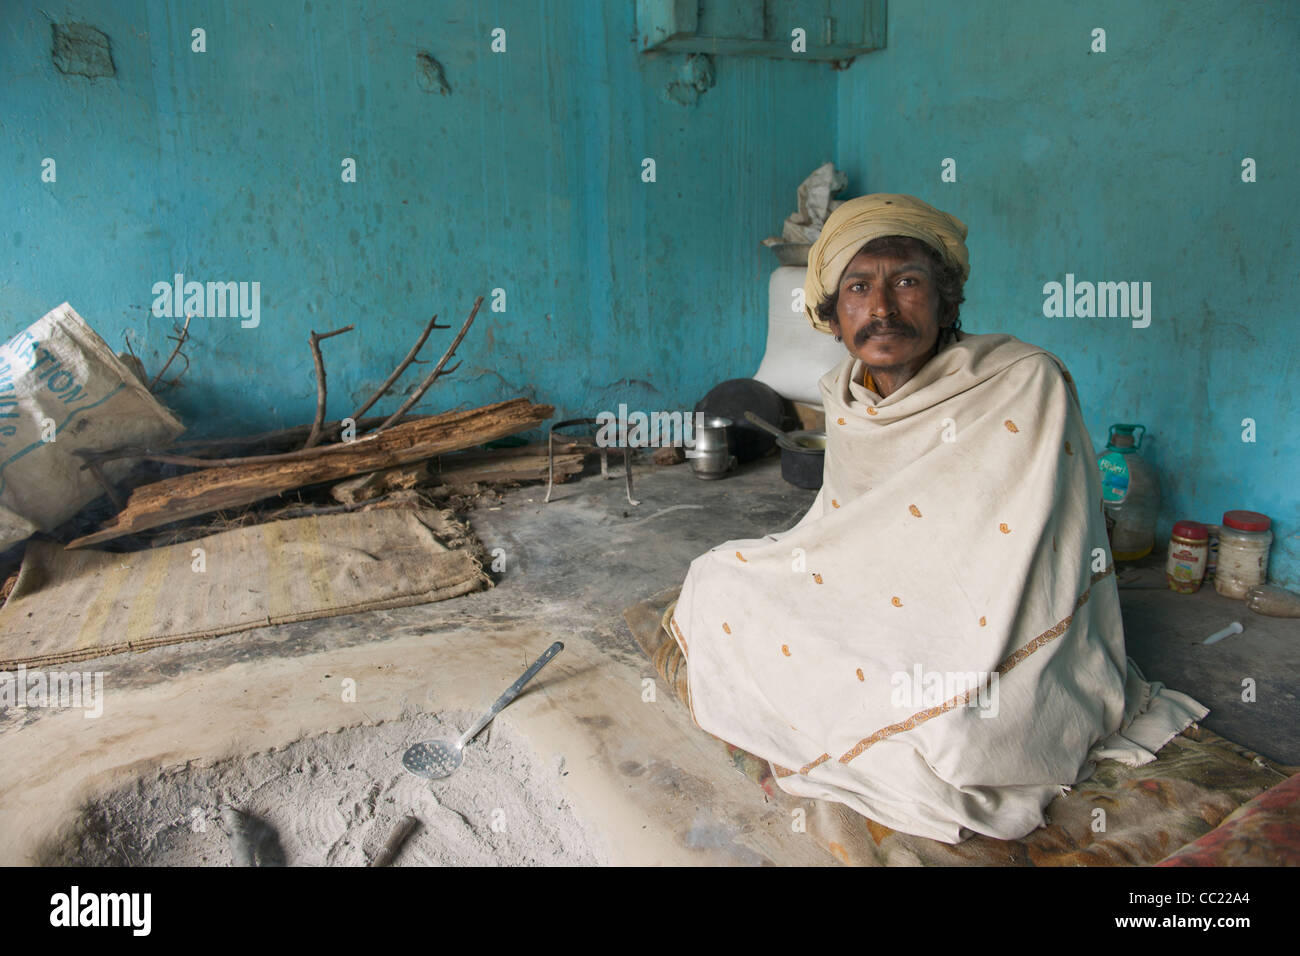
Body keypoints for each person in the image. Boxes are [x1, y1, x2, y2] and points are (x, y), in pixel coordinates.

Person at [668, 193, 1205, 843]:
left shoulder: (1024, 383)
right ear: (832, 317)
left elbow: (1032, 567)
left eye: (908, 282)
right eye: (859, 288)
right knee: (714, 583)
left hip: (987, 618)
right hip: (869, 596)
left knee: (958, 734)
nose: (883, 308)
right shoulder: (848, 393)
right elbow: (846, 537)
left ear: (948, 303)